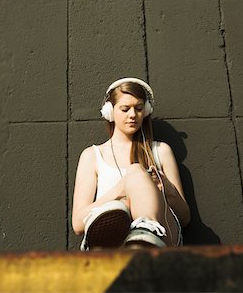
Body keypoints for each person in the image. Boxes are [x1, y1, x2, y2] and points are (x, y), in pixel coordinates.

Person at [72, 77, 190, 250]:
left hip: (165, 237)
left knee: (135, 171)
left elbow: (185, 218)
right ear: (109, 112)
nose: (133, 115)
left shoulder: (160, 151)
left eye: (139, 108)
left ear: (147, 111)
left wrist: (167, 188)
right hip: (114, 242)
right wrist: (120, 190)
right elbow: (78, 223)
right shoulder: (92, 156)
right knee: (120, 205)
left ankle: (145, 233)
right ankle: (131, 241)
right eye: (125, 109)